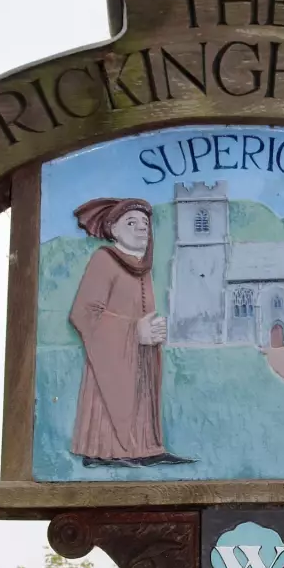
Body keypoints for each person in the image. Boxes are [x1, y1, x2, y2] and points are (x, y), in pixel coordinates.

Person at [69, 197, 193, 468]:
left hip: (141, 356)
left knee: (142, 394)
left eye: (145, 223)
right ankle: (105, 451)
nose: (141, 228)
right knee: (110, 395)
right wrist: (134, 330)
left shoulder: (142, 267)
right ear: (113, 228)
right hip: (110, 356)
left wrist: (154, 330)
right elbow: (84, 313)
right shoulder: (104, 260)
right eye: (131, 222)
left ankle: (145, 448)